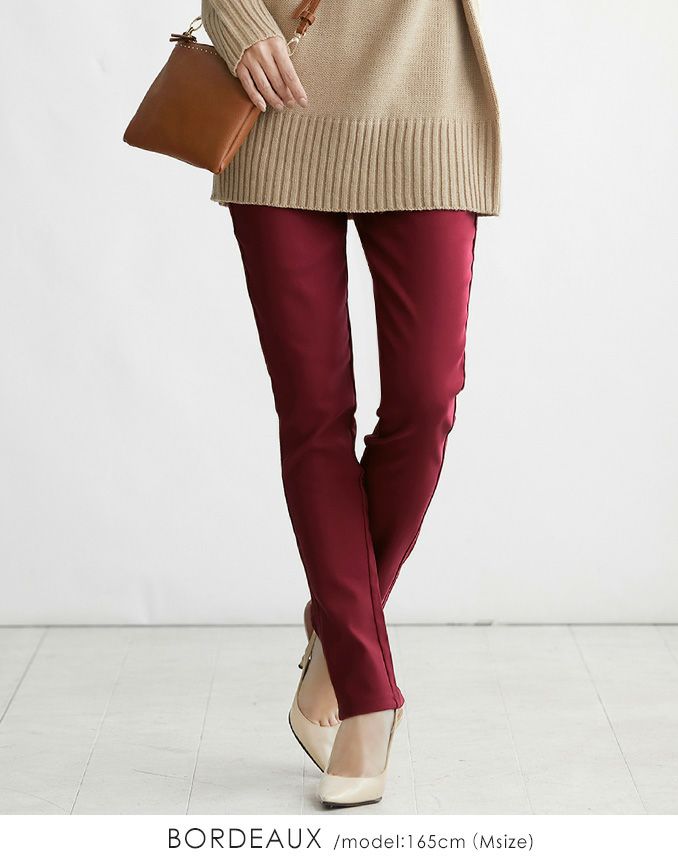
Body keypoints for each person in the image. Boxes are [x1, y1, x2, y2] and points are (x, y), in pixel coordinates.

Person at [201, 0, 501, 808]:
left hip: (426, 104)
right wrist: (233, 16)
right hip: (278, 98)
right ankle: (368, 696)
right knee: (313, 413)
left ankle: (338, 631)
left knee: (427, 399)